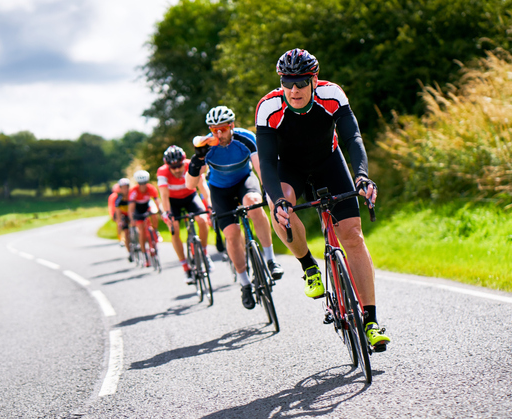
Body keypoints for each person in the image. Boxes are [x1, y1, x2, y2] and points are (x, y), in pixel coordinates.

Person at [255, 48, 390, 350]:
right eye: (287, 83)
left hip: (329, 161)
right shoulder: (268, 107)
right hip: (289, 167)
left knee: (352, 235)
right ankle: (308, 266)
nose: (294, 90)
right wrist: (277, 201)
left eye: (301, 83)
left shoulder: (332, 95)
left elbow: (353, 138)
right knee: (283, 210)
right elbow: (265, 162)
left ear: (314, 80)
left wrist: (362, 176)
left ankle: (370, 321)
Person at [186, 105, 284, 311]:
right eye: (214, 130)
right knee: (231, 233)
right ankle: (244, 284)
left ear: (231, 125)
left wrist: (269, 191)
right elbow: (190, 184)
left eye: (222, 129)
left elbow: (260, 167)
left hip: (244, 181)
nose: (218, 134)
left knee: (253, 201)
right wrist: (197, 160)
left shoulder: (245, 138)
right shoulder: (207, 145)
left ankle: (270, 259)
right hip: (219, 189)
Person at [157, 145, 213, 284]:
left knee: (202, 219)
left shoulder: (191, 164)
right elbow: (164, 195)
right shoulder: (162, 172)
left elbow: (203, 187)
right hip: (173, 201)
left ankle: (204, 254)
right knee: (174, 228)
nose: (176, 169)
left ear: (183, 162)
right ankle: (185, 267)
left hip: (190, 197)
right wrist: (168, 213)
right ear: (167, 165)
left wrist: (210, 205)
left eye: (179, 166)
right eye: (173, 167)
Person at [128, 170, 162, 268]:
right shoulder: (134, 191)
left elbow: (156, 201)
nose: (143, 186)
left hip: (147, 205)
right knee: (141, 232)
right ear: (138, 183)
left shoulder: (151, 188)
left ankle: (155, 230)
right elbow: (131, 208)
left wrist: (160, 211)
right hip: (138, 209)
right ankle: (145, 256)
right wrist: (132, 218)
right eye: (140, 184)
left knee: (154, 214)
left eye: (144, 183)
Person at [114, 178, 133, 261]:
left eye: (127, 187)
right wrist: (119, 222)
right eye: (123, 188)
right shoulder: (119, 200)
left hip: (133, 214)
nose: (125, 189)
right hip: (124, 216)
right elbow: (118, 212)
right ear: (120, 189)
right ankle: (129, 252)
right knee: (126, 232)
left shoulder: (132, 195)